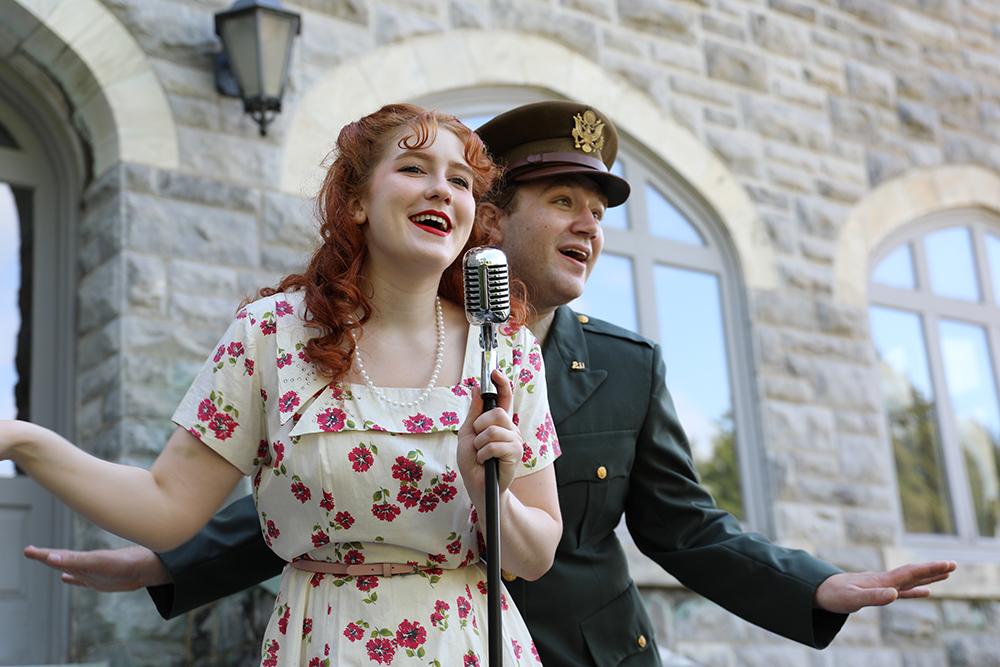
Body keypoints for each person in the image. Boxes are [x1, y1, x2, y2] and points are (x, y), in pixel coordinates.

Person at [25, 101, 956, 666]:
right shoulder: (281, 333)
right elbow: (331, 488)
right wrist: (161, 552)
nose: (589, 229)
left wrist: (822, 585)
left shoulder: (607, 362)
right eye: (563, 203)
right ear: (495, 219)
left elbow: (685, 527)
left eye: (599, 212)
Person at [6, 103, 564, 666]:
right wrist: (22, 441)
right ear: (356, 201)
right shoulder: (271, 333)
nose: (442, 190)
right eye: (414, 168)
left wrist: (486, 485)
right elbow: (165, 506)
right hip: (322, 644)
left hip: (470, 645)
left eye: (461, 180)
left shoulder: (506, 349)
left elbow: (537, 555)